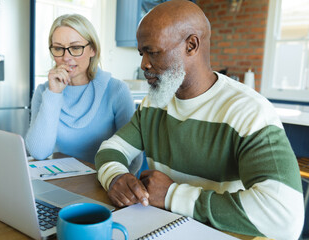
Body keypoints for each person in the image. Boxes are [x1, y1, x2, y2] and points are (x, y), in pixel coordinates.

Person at [94, 1, 304, 239]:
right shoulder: (153, 104)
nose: (144, 64)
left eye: (153, 52)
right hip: (162, 228)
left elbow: (285, 216)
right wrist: (116, 177)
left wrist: (172, 195)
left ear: (191, 45)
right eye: (142, 53)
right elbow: (111, 149)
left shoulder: (249, 112)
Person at [25, 14, 135, 164]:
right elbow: (38, 152)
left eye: (76, 48)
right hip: (61, 181)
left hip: (103, 183)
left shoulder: (117, 91)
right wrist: (54, 94)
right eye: (58, 48)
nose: (66, 57)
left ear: (93, 50)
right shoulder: (45, 91)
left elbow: (133, 157)